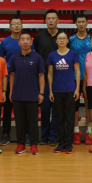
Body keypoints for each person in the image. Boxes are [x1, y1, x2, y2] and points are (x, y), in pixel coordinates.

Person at [0, 16, 34, 146]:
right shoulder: (4, 42)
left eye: (19, 23)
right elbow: (1, 61)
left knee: (26, 110)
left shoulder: (28, 41)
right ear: (10, 26)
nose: (17, 26)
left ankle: (27, 135)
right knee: (7, 109)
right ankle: (5, 135)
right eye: (14, 24)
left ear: (22, 26)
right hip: (9, 79)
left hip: (25, 79)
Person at [9, 31, 45, 156]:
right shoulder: (14, 57)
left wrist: (41, 93)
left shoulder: (37, 57)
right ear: (19, 42)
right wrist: (11, 91)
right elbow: (12, 75)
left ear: (31, 42)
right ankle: (21, 144)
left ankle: (34, 144)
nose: (25, 41)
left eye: (27, 39)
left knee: (33, 122)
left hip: (32, 95)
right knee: (19, 121)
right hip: (18, 95)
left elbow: (41, 76)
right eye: (22, 39)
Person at [47, 32, 80, 154]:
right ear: (56, 41)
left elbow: (77, 72)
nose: (61, 40)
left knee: (70, 118)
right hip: (56, 90)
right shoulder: (52, 55)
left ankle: (69, 143)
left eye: (64, 38)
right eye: (59, 38)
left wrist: (77, 89)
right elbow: (50, 74)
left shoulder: (73, 53)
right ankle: (60, 143)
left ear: (67, 40)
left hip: (70, 90)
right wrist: (50, 90)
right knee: (59, 118)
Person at [34, 9, 60, 146]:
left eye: (53, 18)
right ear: (45, 20)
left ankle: (54, 136)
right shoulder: (39, 37)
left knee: (56, 110)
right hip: (43, 78)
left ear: (58, 20)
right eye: (48, 18)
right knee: (44, 109)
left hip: (59, 77)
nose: (51, 20)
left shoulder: (63, 36)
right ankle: (44, 136)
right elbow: (36, 56)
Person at [69, 14, 92, 145]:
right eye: (79, 22)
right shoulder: (71, 40)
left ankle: (89, 132)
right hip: (74, 77)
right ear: (76, 24)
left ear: (87, 23)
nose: (81, 24)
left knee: (89, 105)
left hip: (90, 77)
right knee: (74, 106)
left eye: (83, 21)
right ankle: (76, 132)